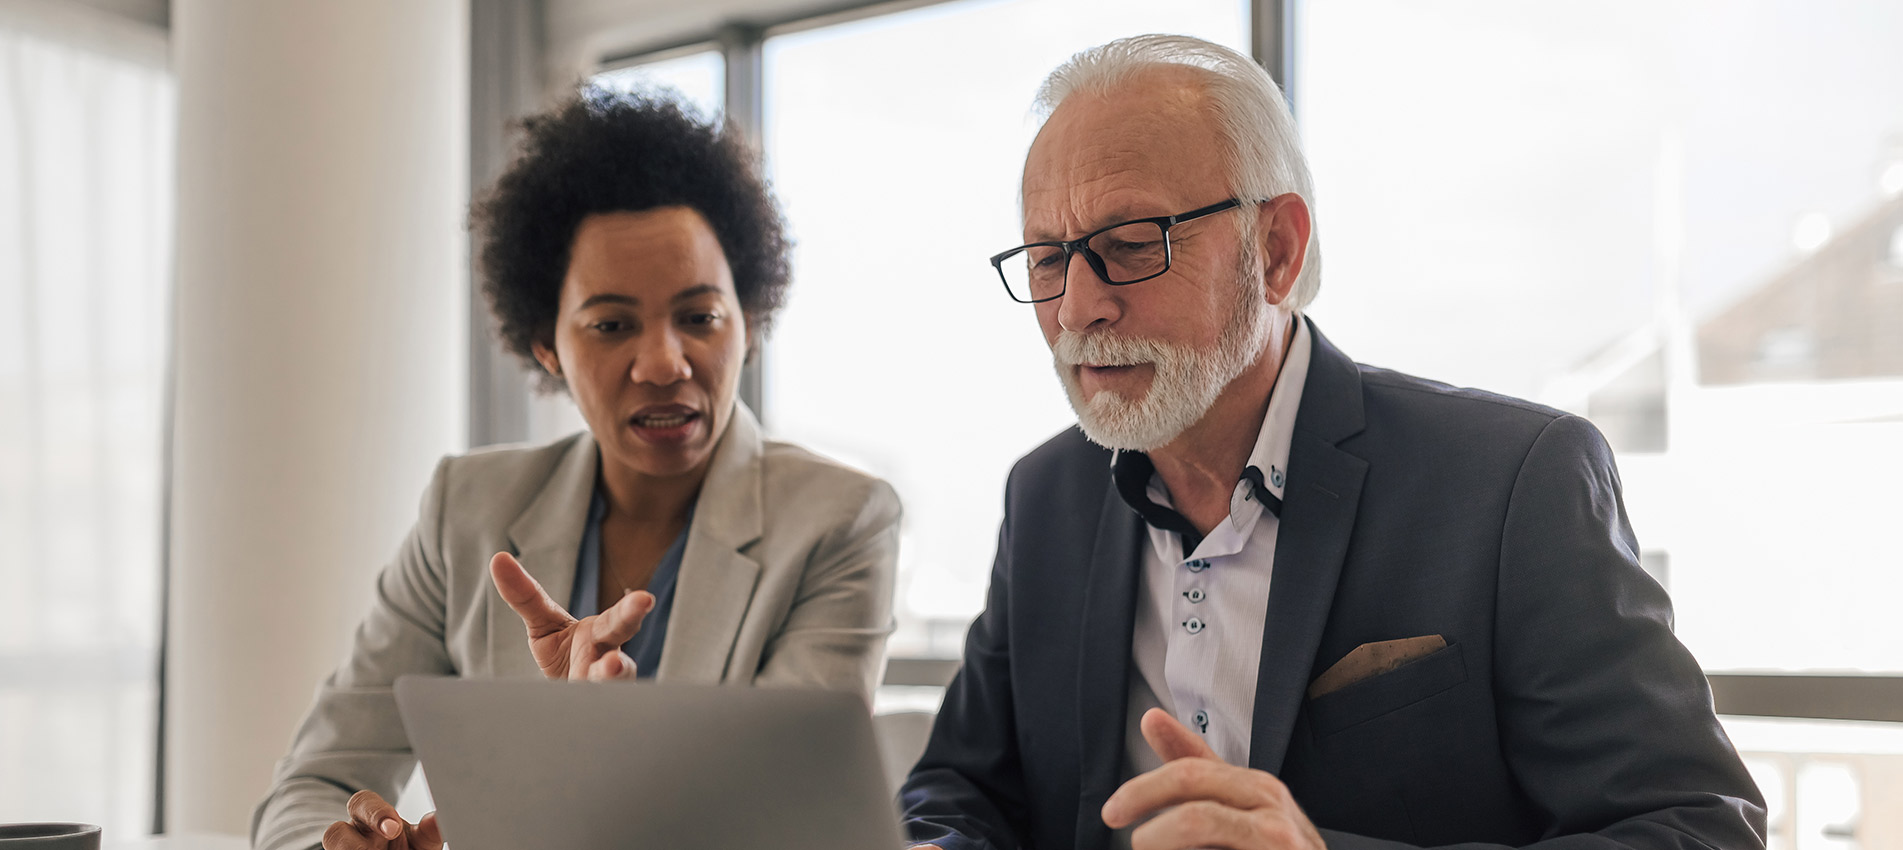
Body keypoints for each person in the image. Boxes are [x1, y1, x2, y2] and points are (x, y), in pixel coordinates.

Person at [898, 34, 1764, 850]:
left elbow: (1695, 827)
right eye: (1048, 260)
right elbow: (960, 788)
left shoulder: (1510, 483)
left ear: (1275, 250)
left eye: (1129, 246)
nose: (1077, 308)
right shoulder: (1044, 496)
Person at [250, 88, 902, 850]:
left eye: (700, 317)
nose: (664, 363)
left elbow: (783, 821)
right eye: (611, 325)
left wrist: (587, 766)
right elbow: (312, 782)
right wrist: (335, 846)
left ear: (748, 324)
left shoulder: (840, 522)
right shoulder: (465, 511)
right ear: (547, 347)